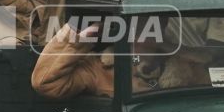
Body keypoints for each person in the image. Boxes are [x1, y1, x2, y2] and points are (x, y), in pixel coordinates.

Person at [32, 18, 211, 99]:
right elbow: (45, 83)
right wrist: (80, 39)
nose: (145, 30)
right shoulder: (100, 68)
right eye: (137, 23)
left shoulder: (185, 67)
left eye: (154, 22)